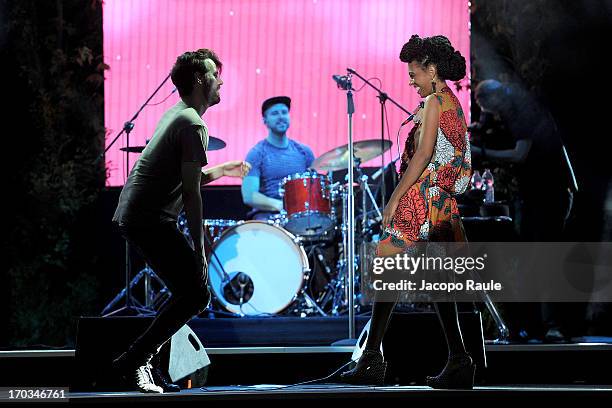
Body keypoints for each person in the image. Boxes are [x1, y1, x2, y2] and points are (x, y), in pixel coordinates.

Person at [111, 49, 250, 393]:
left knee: (188, 293)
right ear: (202, 80)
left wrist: (224, 168)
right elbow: (190, 193)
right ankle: (134, 361)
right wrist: (201, 248)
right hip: (149, 219)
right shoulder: (192, 123)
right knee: (196, 293)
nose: (221, 81)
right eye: (216, 75)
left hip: (141, 216)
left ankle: (137, 360)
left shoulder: (181, 115)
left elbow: (190, 177)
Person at [340, 35, 474, 388]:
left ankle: (372, 359)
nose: (411, 80)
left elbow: (423, 154)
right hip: (440, 202)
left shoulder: (434, 101)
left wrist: (396, 197)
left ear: (431, 70)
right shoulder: (452, 102)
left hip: (422, 199)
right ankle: (458, 360)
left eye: (414, 73)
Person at [471, 79, 578, 342]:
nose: (491, 115)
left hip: (549, 193)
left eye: (489, 109)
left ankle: (552, 324)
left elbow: (520, 154)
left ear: (496, 100)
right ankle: (536, 326)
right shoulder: (517, 110)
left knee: (544, 257)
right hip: (537, 194)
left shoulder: (523, 113)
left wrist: (481, 150)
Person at [241, 96, 315, 221]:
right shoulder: (255, 154)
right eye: (275, 113)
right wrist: (282, 206)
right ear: (265, 120)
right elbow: (249, 196)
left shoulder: (305, 152)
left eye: (284, 112)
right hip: (269, 217)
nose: (281, 117)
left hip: (300, 215)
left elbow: (315, 187)